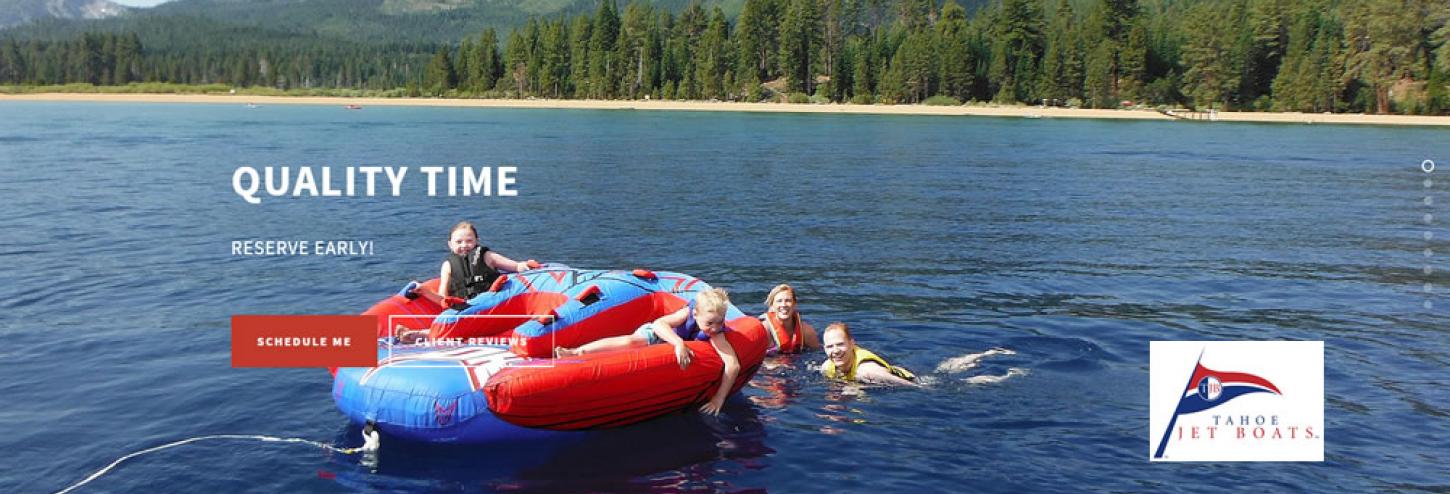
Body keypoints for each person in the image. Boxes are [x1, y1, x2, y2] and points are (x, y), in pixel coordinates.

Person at [555, 288, 741, 415]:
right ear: (696, 314)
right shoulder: (686, 313)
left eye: (720, 321)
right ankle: (577, 352)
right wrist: (678, 343)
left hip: (664, 350)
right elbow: (659, 324)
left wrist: (719, 399)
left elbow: (733, 365)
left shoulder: (717, 334)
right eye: (709, 323)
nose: (714, 328)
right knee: (632, 342)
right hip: (660, 336)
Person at [437, 220, 539, 303]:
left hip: (492, 302)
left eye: (469, 241)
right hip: (463, 307)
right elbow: (443, 293)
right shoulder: (447, 265)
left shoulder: (487, 256)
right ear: (450, 244)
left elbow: (516, 266)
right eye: (459, 242)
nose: (464, 245)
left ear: (476, 241)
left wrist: (527, 265)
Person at [819, 322, 916, 386]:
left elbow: (910, 386)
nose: (835, 351)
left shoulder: (868, 371)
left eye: (840, 344)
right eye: (830, 346)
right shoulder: (826, 367)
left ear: (852, 344)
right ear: (824, 349)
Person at [759, 284, 821, 354]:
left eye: (788, 300)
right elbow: (755, 358)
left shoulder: (806, 331)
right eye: (779, 301)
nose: (784, 305)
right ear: (772, 305)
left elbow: (817, 353)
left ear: (794, 304)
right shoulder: (764, 331)